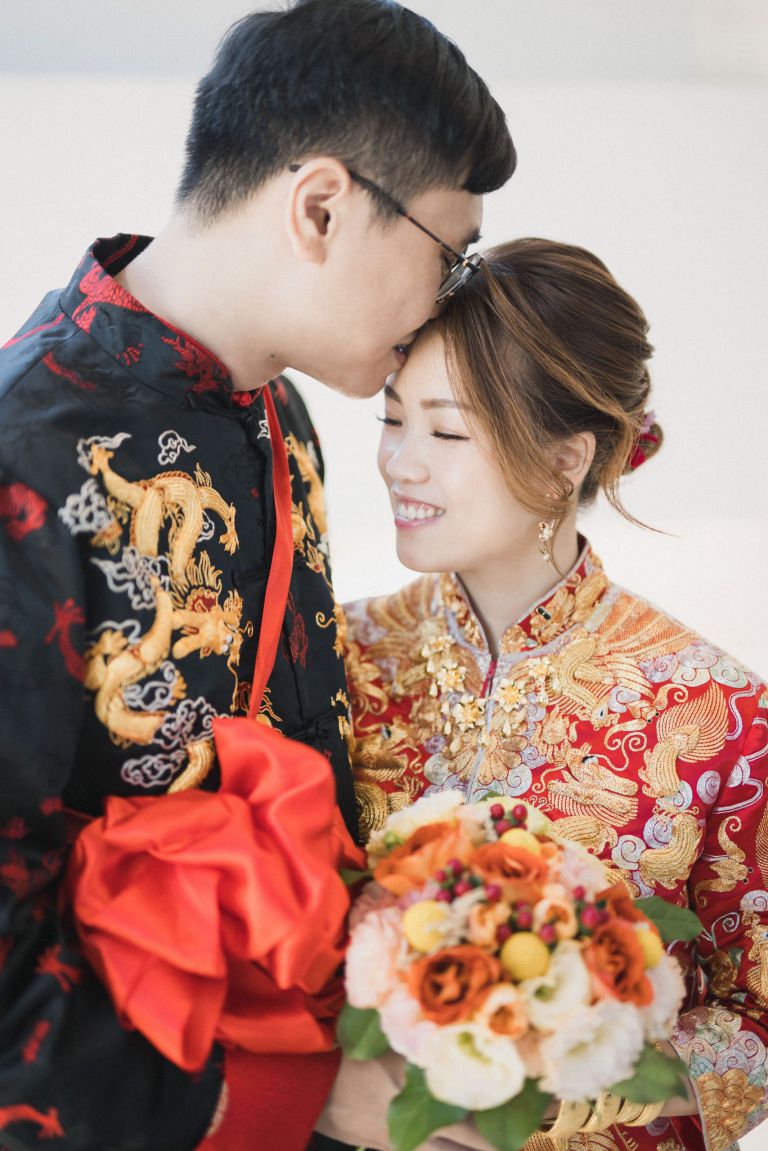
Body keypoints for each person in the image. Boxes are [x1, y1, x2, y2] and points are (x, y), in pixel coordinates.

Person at [0, 2, 515, 1149]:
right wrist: (307, 1094)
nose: (448, 300)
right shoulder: (26, 452)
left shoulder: (280, 409)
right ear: (321, 207)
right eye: (449, 254)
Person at [322, 238, 768, 1151]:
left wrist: (570, 1083)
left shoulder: (720, 714)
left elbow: (758, 1017)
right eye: (392, 419)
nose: (401, 463)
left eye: (447, 433)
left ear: (567, 457)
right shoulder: (336, 657)